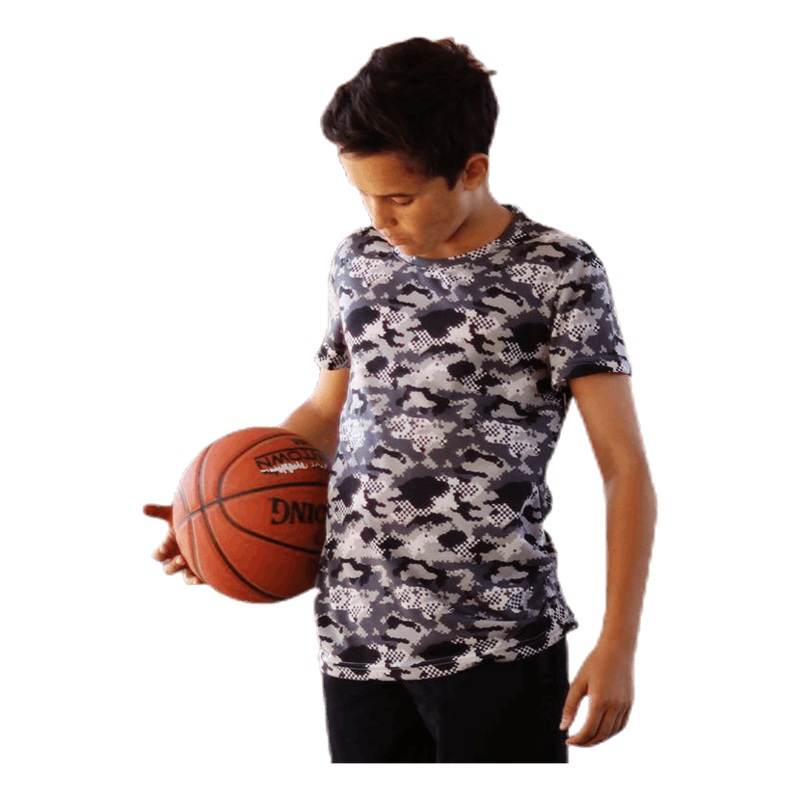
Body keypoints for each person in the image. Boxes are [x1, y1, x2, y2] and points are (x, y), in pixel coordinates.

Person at [146, 37, 657, 763]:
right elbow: (324, 414)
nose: (381, 218)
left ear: (472, 171)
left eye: (401, 198)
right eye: (364, 195)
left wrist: (619, 644)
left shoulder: (558, 271)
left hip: (497, 638)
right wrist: (212, 511)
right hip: (355, 636)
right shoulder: (358, 261)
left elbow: (623, 468)